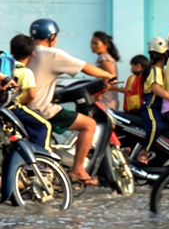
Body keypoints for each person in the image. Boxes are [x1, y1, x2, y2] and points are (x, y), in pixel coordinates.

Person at [26, 18, 115, 185]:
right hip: (41, 109)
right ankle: (78, 169)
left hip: (23, 108)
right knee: (88, 124)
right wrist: (108, 75)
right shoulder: (52, 54)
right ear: (51, 37)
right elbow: (84, 67)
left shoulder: (27, 52)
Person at [9, 34, 52, 150]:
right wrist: (24, 103)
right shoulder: (26, 72)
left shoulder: (5, 67)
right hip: (13, 107)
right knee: (43, 126)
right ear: (32, 53)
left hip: (3, 106)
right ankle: (39, 156)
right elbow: (32, 95)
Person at [90, 31, 120, 109]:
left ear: (105, 45)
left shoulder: (103, 57)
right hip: (111, 101)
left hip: (104, 102)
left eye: (96, 43)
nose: (92, 46)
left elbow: (112, 76)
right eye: (92, 43)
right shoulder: (108, 57)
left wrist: (99, 95)